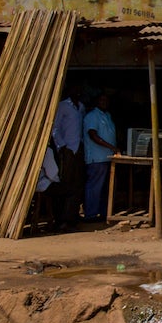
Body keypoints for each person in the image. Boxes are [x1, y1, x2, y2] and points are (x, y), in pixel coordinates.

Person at [51, 85, 85, 231]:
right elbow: (55, 128)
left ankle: (72, 218)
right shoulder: (63, 106)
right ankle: (61, 220)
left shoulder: (81, 107)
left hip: (78, 149)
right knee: (65, 184)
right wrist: (62, 146)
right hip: (68, 150)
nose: (77, 92)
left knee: (77, 184)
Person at [82, 93, 118, 223]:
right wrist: (111, 147)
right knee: (94, 187)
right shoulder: (92, 116)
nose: (104, 102)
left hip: (107, 157)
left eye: (106, 100)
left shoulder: (107, 115)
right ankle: (90, 214)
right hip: (96, 158)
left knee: (104, 188)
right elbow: (93, 135)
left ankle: (103, 213)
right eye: (101, 99)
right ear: (96, 101)